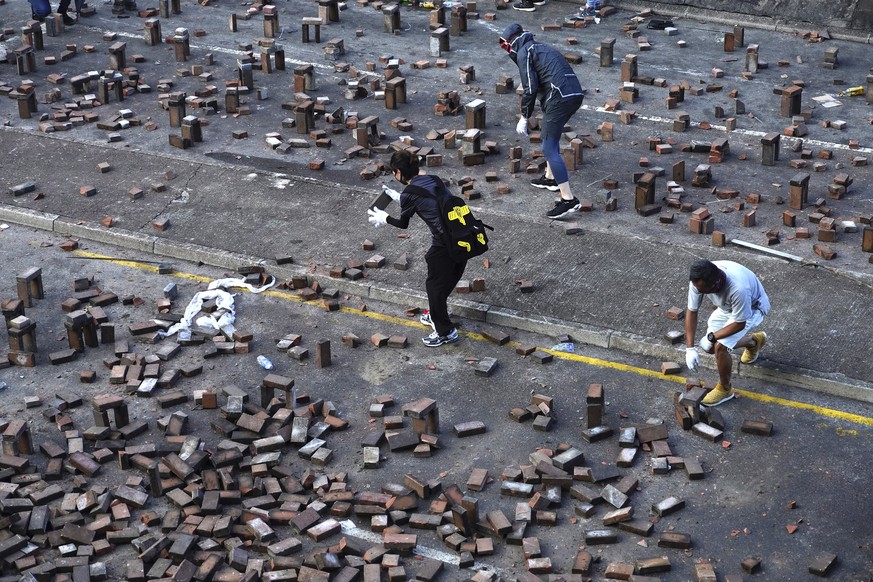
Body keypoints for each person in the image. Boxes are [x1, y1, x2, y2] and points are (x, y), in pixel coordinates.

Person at [367, 150, 466, 347]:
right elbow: (427, 199)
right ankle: (437, 315)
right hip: (462, 235)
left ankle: (445, 332)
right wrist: (399, 197)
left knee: (434, 286)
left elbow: (403, 223)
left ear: (398, 172)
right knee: (445, 281)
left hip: (444, 243)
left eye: (394, 173)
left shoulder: (409, 194)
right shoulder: (433, 179)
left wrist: (385, 217)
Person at [500, 23, 586, 219]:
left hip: (560, 97)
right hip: (573, 94)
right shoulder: (540, 47)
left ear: (512, 42)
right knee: (551, 135)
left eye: (506, 47)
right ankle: (550, 178)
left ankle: (568, 200)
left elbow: (530, 88)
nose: (507, 51)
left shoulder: (524, 53)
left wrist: (524, 116)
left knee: (548, 148)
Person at [684, 259, 770, 406]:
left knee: (720, 347)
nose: (699, 292)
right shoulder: (698, 281)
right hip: (728, 308)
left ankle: (725, 389)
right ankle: (753, 342)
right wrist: (690, 348)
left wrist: (712, 337)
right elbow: (692, 311)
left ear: (715, 284)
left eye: (703, 291)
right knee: (710, 348)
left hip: (752, 308)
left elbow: (739, 323)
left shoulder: (738, 289)